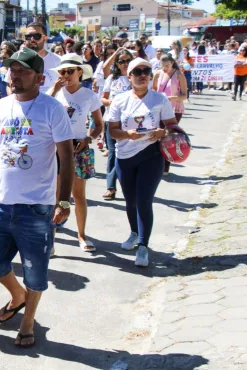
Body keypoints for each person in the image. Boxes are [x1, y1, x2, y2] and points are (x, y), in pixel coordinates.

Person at [0, 47, 74, 348]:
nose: (14, 75)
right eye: (12, 70)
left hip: (37, 207)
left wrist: (64, 201)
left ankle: (28, 322)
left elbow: (66, 156)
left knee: (35, 273)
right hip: (2, 204)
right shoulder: (0, 107)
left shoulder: (52, 109)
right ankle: (16, 296)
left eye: (22, 71)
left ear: (40, 78)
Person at [107, 58, 178, 267]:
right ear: (129, 76)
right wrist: (127, 134)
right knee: (131, 201)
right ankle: (134, 233)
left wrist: (162, 131)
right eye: (137, 71)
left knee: (144, 200)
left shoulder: (160, 99)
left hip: (151, 155)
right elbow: (112, 131)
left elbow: (173, 126)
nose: (142, 74)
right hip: (125, 157)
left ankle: (143, 247)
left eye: (146, 70)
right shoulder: (120, 100)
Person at [48, 54, 103, 252]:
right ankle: (51, 239)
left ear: (80, 72)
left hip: (78, 148)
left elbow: (99, 125)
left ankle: (81, 235)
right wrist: (54, 90)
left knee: (78, 194)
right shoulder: (54, 93)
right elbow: (41, 110)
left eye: (70, 71)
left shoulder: (89, 96)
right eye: (63, 71)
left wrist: (88, 139)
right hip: (55, 148)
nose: (66, 75)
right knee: (55, 196)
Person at [100, 49, 132, 201]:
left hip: (131, 122)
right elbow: (103, 99)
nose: (125, 64)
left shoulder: (136, 77)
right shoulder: (112, 78)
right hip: (112, 120)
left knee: (130, 153)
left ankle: (130, 185)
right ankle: (111, 187)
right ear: (117, 64)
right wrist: (114, 103)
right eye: (121, 61)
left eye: (127, 61)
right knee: (113, 152)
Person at [153, 54, 187, 176]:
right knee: (157, 135)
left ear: (172, 63)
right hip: (159, 108)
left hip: (174, 109)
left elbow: (185, 95)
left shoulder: (179, 75)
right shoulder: (158, 74)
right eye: (163, 66)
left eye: (167, 65)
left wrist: (172, 98)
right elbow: (153, 91)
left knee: (168, 135)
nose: (165, 68)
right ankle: (157, 164)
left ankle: (166, 166)